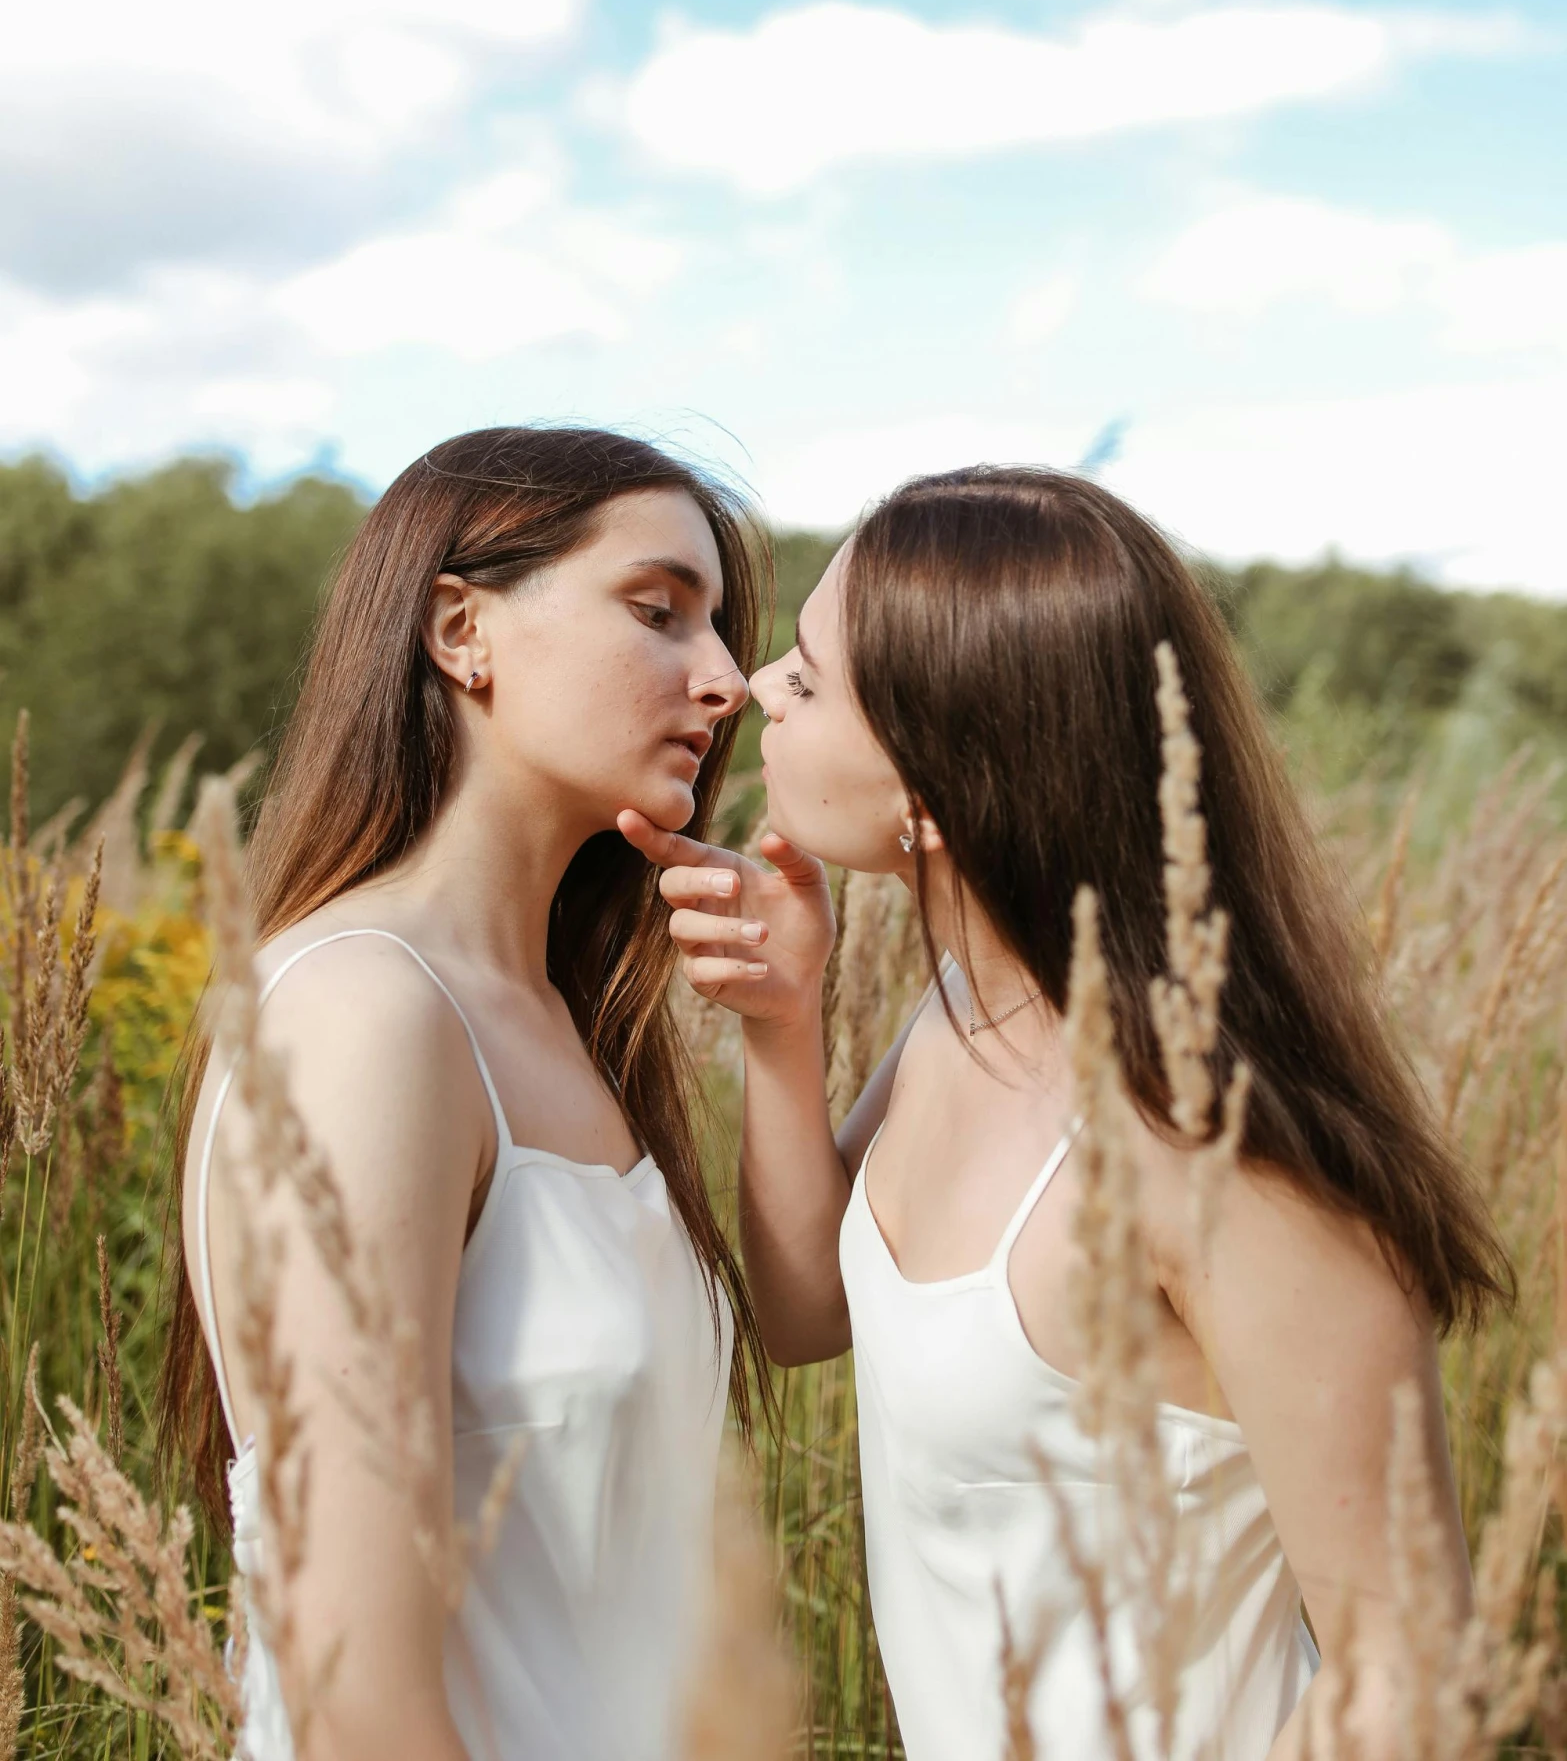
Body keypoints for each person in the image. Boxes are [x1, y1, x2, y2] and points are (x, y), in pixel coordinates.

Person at [623, 465, 1508, 1761]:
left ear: (929, 790)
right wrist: (782, 1021)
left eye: (807, 679)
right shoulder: (958, 1030)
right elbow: (810, 1310)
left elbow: (1407, 1679)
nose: (755, 687)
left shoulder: (1206, 1146)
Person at [159, 425, 768, 1761]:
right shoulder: (364, 1015)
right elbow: (352, 1691)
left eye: (718, 629)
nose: (724, 680)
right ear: (460, 629)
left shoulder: (560, 1021)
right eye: (658, 611)